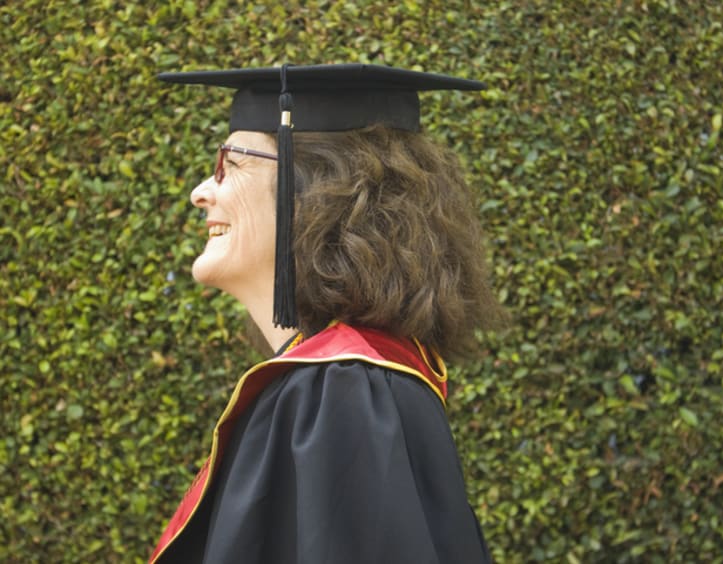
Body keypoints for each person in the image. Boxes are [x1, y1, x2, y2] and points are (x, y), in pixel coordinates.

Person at [150, 64, 500, 564]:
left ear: (314, 192)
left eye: (231, 163)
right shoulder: (334, 382)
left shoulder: (343, 391)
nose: (202, 191)